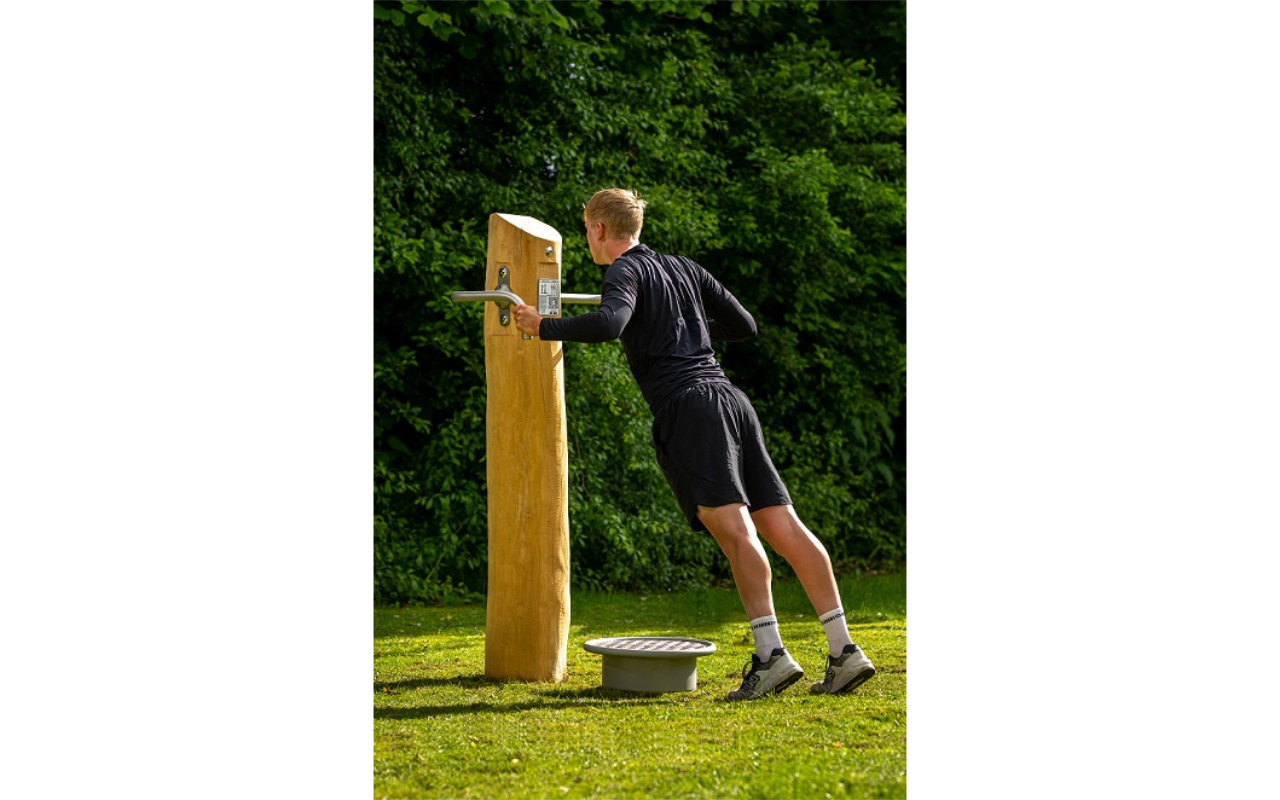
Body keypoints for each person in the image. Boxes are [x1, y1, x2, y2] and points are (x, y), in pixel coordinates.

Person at [513, 188, 875, 701]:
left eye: (586, 229)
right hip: (731, 399)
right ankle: (845, 652)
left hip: (691, 408)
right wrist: (691, 334)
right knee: (783, 525)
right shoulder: (685, 268)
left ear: (598, 228)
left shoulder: (623, 271)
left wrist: (542, 323)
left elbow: (610, 323)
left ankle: (771, 656)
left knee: (736, 532)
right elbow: (745, 326)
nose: (587, 238)